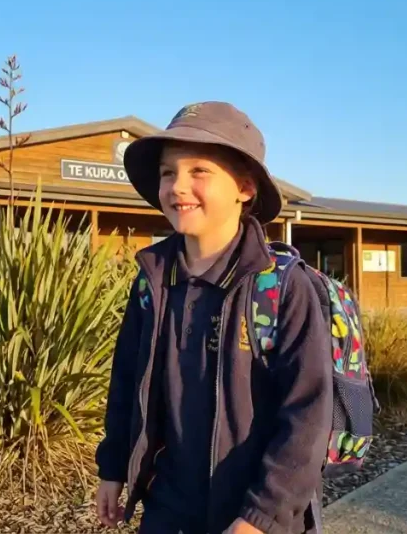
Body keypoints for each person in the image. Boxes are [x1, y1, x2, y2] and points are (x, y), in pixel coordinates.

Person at [94, 102, 334, 534]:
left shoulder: (282, 288)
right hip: (168, 508)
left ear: (244, 187)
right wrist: (112, 466)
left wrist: (261, 516)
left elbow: (308, 414)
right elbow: (126, 382)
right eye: (169, 173)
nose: (177, 187)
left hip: (256, 515)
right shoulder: (151, 281)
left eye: (199, 171)